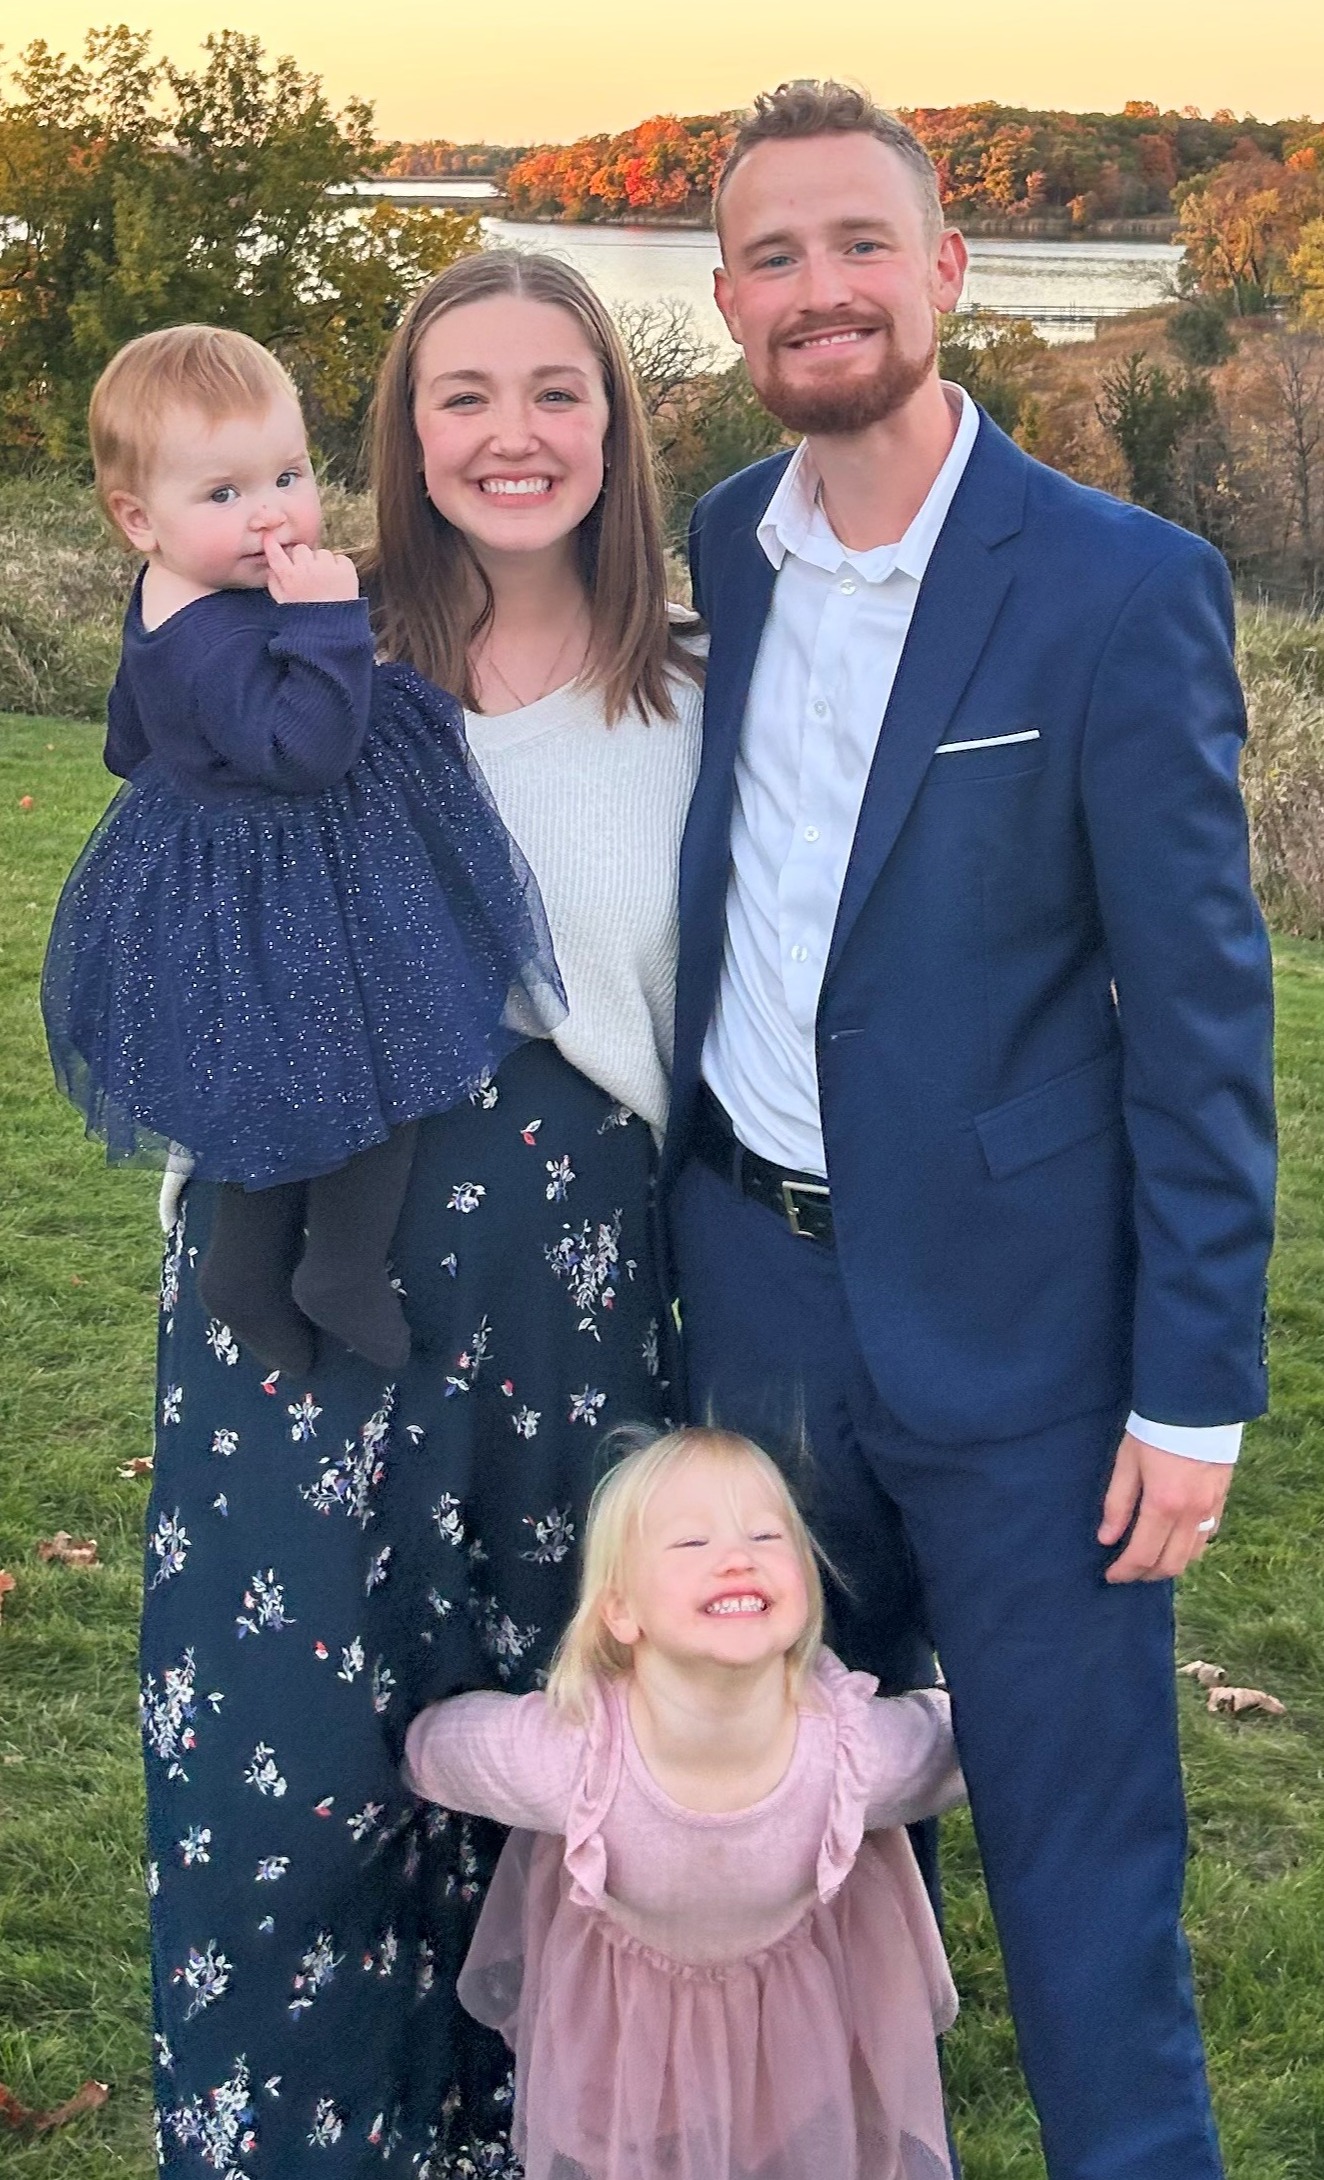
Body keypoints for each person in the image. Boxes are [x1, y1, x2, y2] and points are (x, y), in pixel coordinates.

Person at [664, 83, 1277, 2180]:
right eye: (772, 255)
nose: (817, 288)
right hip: (749, 1310)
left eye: (859, 243)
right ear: (727, 301)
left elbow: (1199, 1012)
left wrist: (1187, 1385)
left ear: (942, 271)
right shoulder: (715, 557)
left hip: (1026, 1341)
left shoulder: (1117, 586)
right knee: (795, 1850)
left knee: (1080, 1882)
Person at [139, 252, 702, 2178]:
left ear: (612, 423)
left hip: (573, 1287)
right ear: (404, 427)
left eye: (555, 389)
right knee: (288, 1757)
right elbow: (181, 917)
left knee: (547, 1737)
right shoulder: (303, 650)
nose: (509, 434)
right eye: (463, 394)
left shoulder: (693, 687)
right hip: (304, 1271)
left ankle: (544, 2135)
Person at [42, 324, 563, 1376]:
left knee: (272, 1089)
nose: (272, 512)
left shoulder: (168, 599)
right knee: (386, 1048)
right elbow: (305, 752)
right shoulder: (213, 636)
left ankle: (246, 1269)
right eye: (225, 492)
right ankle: (341, 1266)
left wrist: (184, 773)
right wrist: (328, 623)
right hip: (292, 890)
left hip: (250, 882)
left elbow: (126, 737)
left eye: (288, 475)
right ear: (138, 518)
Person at [404, 1425, 964, 2180]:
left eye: (767, 1535)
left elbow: (962, 1749)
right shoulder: (576, 1755)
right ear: (621, 1611)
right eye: (691, 1543)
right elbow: (444, 1748)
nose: (738, 1556)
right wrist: (405, 1738)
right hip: (630, 2052)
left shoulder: (848, 1750)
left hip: (799, 2039)